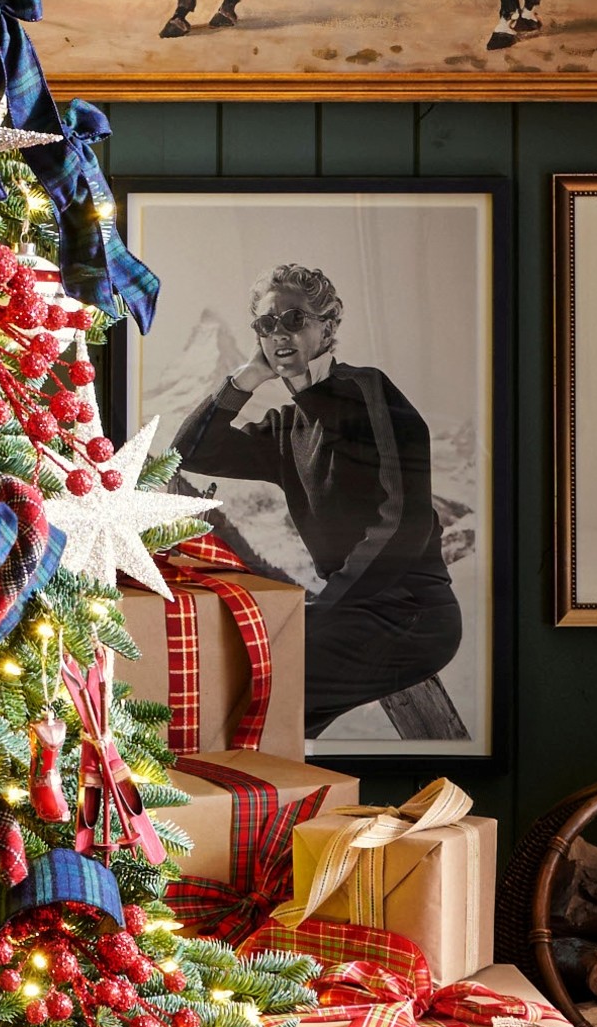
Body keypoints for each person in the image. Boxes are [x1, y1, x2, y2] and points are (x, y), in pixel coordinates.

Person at [169, 263, 458, 733]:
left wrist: (324, 612)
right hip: (351, 614)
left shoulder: (369, 392)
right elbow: (190, 452)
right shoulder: (289, 428)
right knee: (274, 724)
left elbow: (401, 521)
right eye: (266, 324)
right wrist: (245, 378)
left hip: (410, 614)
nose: (279, 333)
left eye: (294, 319)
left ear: (328, 326)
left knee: (255, 698)